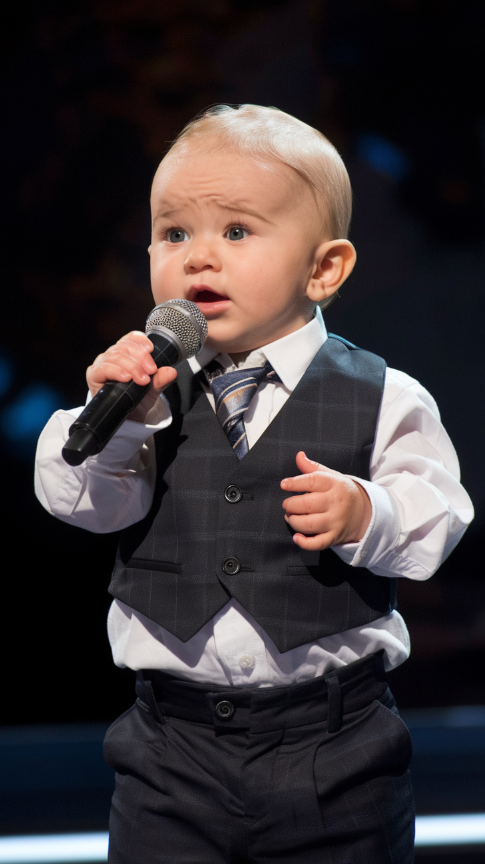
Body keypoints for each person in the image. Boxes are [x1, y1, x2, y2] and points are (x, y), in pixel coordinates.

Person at [35, 105, 473, 863]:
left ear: (323, 268)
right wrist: (120, 422)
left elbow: (437, 516)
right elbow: (83, 502)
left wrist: (365, 510)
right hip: (170, 750)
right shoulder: (145, 388)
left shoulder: (383, 394)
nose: (199, 258)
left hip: (335, 747)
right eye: (174, 234)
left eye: (235, 232)